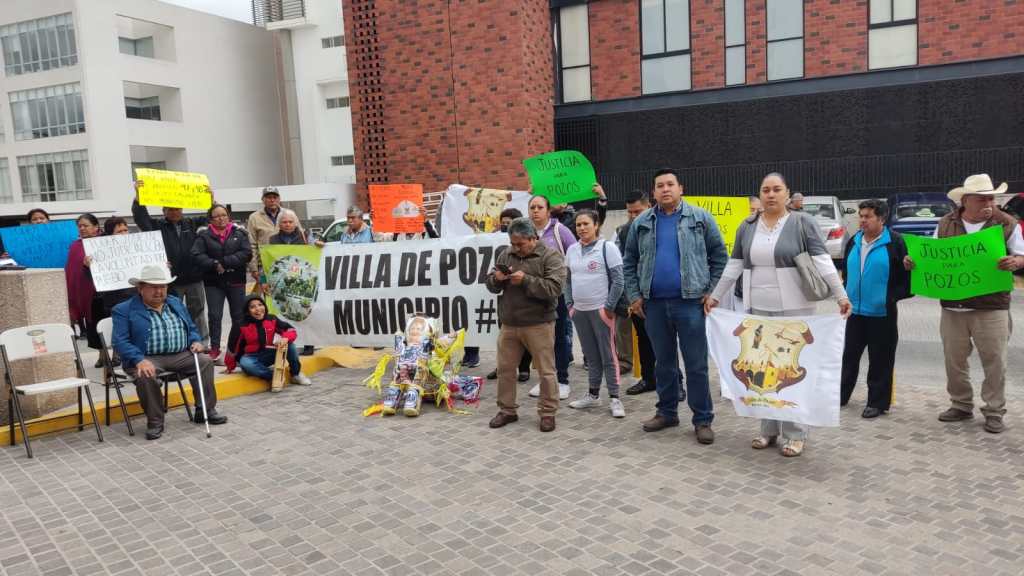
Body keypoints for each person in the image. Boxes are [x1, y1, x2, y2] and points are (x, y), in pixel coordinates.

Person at [707, 172, 850, 456]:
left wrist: (841, 295)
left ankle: (796, 433)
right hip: (758, 310)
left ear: (787, 193)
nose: (770, 195)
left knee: (788, 370)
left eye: (776, 190)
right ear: (759, 195)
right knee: (762, 369)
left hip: (795, 309)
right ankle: (768, 430)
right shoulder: (747, 226)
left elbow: (822, 260)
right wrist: (715, 295)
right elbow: (734, 265)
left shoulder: (802, 223)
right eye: (765, 190)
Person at [904, 174, 1024, 434]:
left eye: (991, 197)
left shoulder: (1006, 223)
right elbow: (929, 255)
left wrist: (1016, 262)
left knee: (995, 362)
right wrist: (913, 262)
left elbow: (1021, 255)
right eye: (982, 198)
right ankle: (960, 404)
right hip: (953, 307)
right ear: (966, 200)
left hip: (991, 307)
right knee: (954, 360)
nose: (989, 202)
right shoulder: (946, 223)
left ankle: (994, 410)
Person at [623, 168, 728, 445]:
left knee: (695, 365)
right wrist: (634, 295)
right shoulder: (642, 222)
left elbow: (720, 256)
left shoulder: (700, 218)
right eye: (660, 185)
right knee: (664, 364)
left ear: (680, 187)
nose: (665, 189)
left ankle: (703, 419)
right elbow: (629, 260)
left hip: (690, 304)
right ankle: (667, 412)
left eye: (670, 184)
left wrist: (712, 292)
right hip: (654, 306)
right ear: (654, 191)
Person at [112, 265, 226, 440]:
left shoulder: (174, 302)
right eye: (153, 287)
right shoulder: (123, 310)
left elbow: (191, 327)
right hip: (146, 358)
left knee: (204, 361)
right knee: (145, 375)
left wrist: (195, 341)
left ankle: (205, 410)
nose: (159, 291)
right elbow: (120, 341)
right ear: (140, 288)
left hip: (179, 354)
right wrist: (139, 360)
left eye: (162, 286)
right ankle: (155, 421)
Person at [486, 218, 565, 432]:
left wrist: (527, 280)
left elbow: (555, 288)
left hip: (539, 323)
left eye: (520, 244)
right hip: (510, 323)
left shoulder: (551, 256)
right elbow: (491, 285)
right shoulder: (506, 254)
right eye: (513, 243)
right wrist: (497, 279)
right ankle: (507, 410)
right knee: (505, 369)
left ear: (533, 238)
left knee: (546, 371)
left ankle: (548, 413)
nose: (516, 248)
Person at [840, 200, 911, 418]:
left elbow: (907, 277)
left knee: (880, 359)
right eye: (860, 216)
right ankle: (840, 396)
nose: (862, 220)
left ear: (881, 219)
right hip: (855, 312)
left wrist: (890, 298)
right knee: (849, 357)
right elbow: (846, 272)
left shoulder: (895, 243)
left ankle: (877, 402)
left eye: (867, 216)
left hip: (882, 313)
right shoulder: (854, 240)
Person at [565, 210, 626, 418]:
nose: (581, 228)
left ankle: (615, 398)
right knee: (590, 356)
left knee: (608, 355)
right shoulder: (572, 250)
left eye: (586, 224)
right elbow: (568, 280)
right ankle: (593, 395)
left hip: (601, 311)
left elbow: (619, 280)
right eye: (578, 225)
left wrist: (608, 307)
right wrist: (569, 305)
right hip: (579, 311)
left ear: (596, 225)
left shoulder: (607, 248)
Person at [132, 181, 209, 344]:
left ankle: (202, 343)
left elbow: (214, 216)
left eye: (177, 208)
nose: (175, 212)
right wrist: (139, 197)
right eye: (170, 209)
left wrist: (211, 198)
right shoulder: (157, 225)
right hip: (171, 280)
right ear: (164, 211)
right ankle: (181, 342)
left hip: (194, 277)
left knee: (199, 312)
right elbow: (141, 218)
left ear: (182, 209)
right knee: (174, 312)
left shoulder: (192, 223)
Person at [526, 195, 575, 400]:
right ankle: (545, 379)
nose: (535, 211)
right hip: (533, 295)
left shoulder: (559, 230)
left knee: (559, 338)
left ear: (548, 210)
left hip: (558, 294)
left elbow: (574, 255)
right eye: (532, 207)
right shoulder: (525, 232)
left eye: (539, 207)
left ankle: (562, 380)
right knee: (539, 340)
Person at [191, 204, 253, 363]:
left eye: (223, 215)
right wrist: (213, 264)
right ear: (211, 219)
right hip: (214, 282)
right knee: (214, 316)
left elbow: (247, 253)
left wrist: (224, 262)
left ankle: (236, 347)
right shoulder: (204, 236)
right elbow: (196, 255)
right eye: (217, 216)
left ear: (228, 216)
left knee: (239, 316)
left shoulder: (239, 233)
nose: (221, 218)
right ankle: (215, 348)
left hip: (236, 280)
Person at [617, 190, 657, 396]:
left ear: (648, 206)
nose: (633, 216)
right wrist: (632, 297)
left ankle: (676, 382)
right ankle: (649, 379)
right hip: (636, 297)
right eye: (630, 212)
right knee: (643, 339)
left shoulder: (661, 226)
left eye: (637, 211)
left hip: (659, 295)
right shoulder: (624, 232)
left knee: (664, 341)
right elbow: (625, 265)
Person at [483, 207, 531, 381]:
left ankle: (524, 368)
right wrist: (496, 278)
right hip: (507, 306)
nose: (504, 227)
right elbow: (491, 280)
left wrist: (526, 280)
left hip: (528, 308)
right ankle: (503, 366)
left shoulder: (537, 252)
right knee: (505, 341)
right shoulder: (502, 251)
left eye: (508, 224)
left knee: (526, 340)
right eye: (502, 224)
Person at [224, 295, 312, 388]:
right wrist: (229, 366)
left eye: (260, 305)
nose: (258, 309)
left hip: (268, 354)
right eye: (252, 307)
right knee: (246, 363)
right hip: (251, 357)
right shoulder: (240, 325)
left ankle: (296, 375)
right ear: (247, 311)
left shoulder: (271, 319)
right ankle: (274, 377)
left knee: (291, 346)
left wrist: (285, 338)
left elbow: (290, 330)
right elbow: (232, 347)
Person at [248, 186, 303, 289]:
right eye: (268, 197)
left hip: (291, 264)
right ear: (263, 200)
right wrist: (254, 268)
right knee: (269, 295)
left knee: (293, 292)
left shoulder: (289, 214)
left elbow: (301, 235)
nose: (272, 200)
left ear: (279, 199)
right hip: (265, 266)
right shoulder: (254, 217)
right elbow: (252, 244)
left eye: (274, 197)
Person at [65, 213, 104, 354]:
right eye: (79, 226)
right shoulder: (75, 246)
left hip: (103, 293)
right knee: (94, 327)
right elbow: (71, 271)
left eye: (85, 225)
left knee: (107, 326)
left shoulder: (105, 242)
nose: (82, 228)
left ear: (96, 227)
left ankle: (113, 356)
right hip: (86, 295)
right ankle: (102, 355)